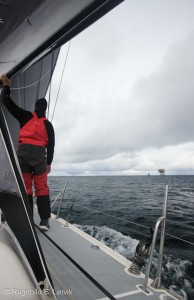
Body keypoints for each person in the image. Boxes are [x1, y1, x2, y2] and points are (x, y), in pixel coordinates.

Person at [0, 74, 55, 231]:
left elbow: (6, 101)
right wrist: (49, 163)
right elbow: (51, 146)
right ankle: (44, 221)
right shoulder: (49, 125)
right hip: (39, 159)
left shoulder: (25, 116)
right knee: (42, 188)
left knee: (25, 188)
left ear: (35, 107)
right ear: (45, 110)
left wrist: (6, 85)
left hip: (23, 156)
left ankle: (28, 218)